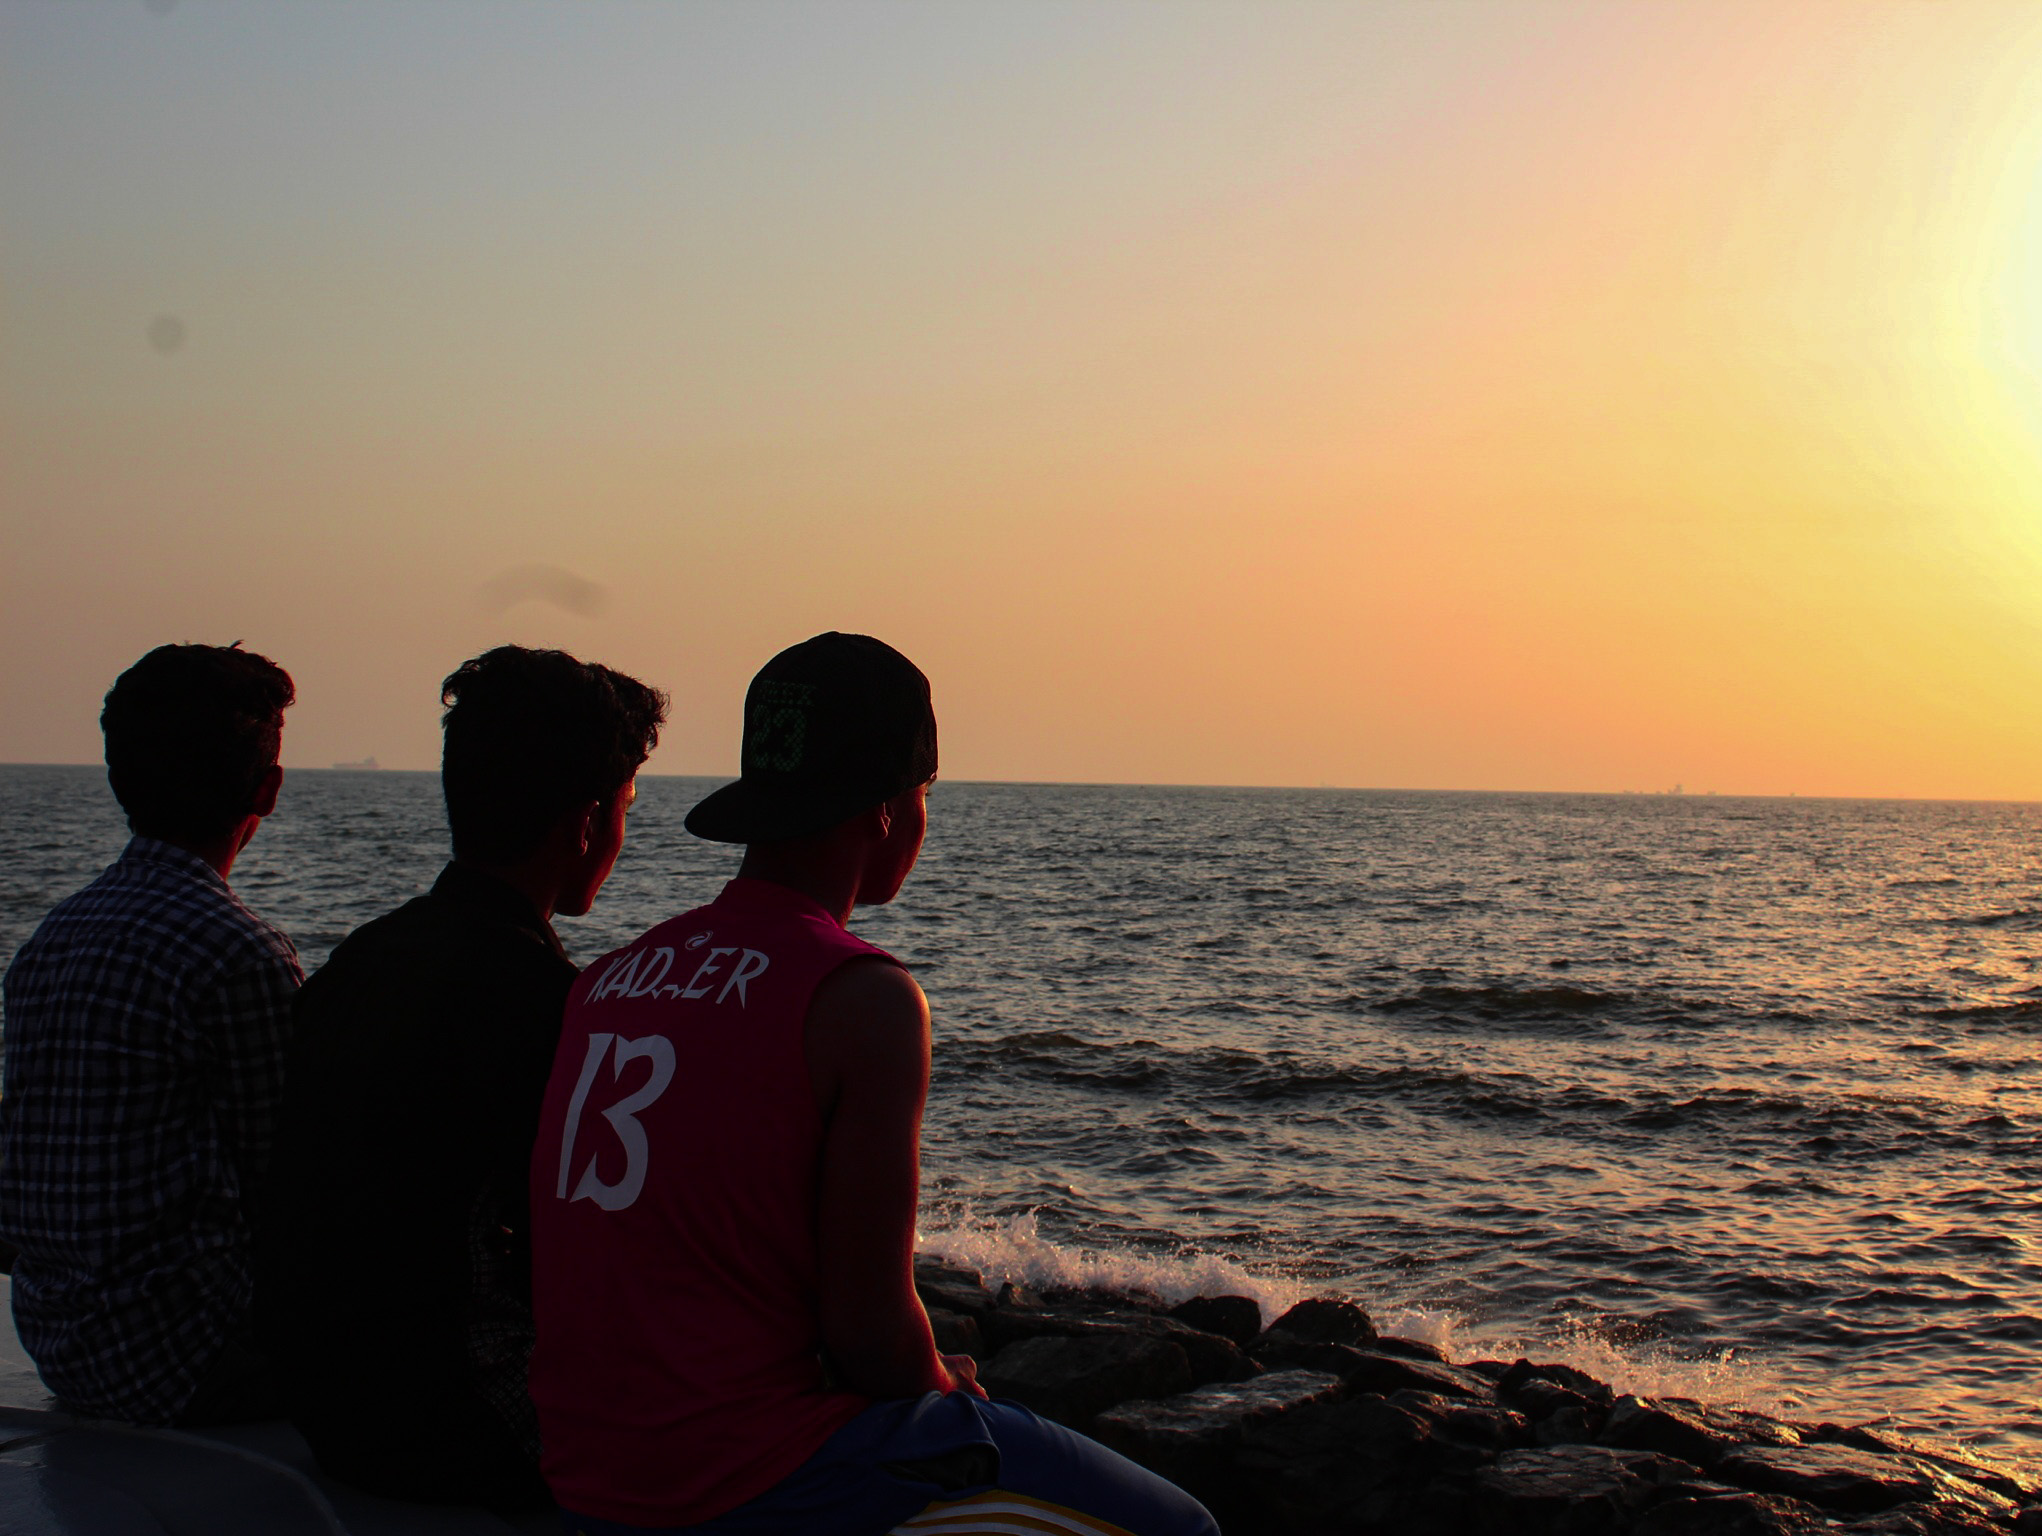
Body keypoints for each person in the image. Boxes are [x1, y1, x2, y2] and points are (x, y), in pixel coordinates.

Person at [527, 633, 1216, 1536]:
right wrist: (944, 1384)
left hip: (587, 1467)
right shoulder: (862, 997)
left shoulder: (608, 978)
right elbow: (870, 1335)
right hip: (742, 1472)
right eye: (925, 795)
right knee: (1182, 1528)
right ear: (888, 810)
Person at [258, 646, 666, 1508]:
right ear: (588, 824)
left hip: (327, 1410)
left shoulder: (358, 965)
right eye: (626, 808)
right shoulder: (556, 1008)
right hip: (460, 1429)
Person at [0, 643, 302, 1426]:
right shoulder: (237, 951)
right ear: (266, 788)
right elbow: (288, 1179)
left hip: (60, 1341)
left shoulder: (53, 938)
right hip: (187, 1356)